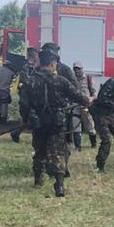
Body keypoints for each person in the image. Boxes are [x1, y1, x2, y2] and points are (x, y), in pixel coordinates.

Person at [28, 48, 90, 197]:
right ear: (52, 64)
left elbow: (24, 105)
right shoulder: (60, 81)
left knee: (39, 152)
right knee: (58, 153)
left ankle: (38, 180)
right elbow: (79, 97)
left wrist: (29, 119)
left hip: (39, 123)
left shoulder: (30, 81)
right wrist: (88, 101)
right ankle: (59, 186)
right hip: (57, 122)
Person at [10, 47, 39, 144]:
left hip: (30, 96)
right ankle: (17, 133)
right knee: (32, 118)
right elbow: (26, 81)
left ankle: (16, 133)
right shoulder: (27, 67)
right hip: (27, 97)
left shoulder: (32, 66)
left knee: (30, 120)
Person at [71, 62, 98, 150]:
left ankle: (93, 144)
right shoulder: (72, 79)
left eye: (79, 68)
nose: (77, 70)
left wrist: (91, 98)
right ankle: (78, 147)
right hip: (75, 105)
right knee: (75, 125)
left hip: (86, 105)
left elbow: (94, 92)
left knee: (89, 125)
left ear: (82, 69)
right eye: (75, 69)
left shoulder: (88, 78)